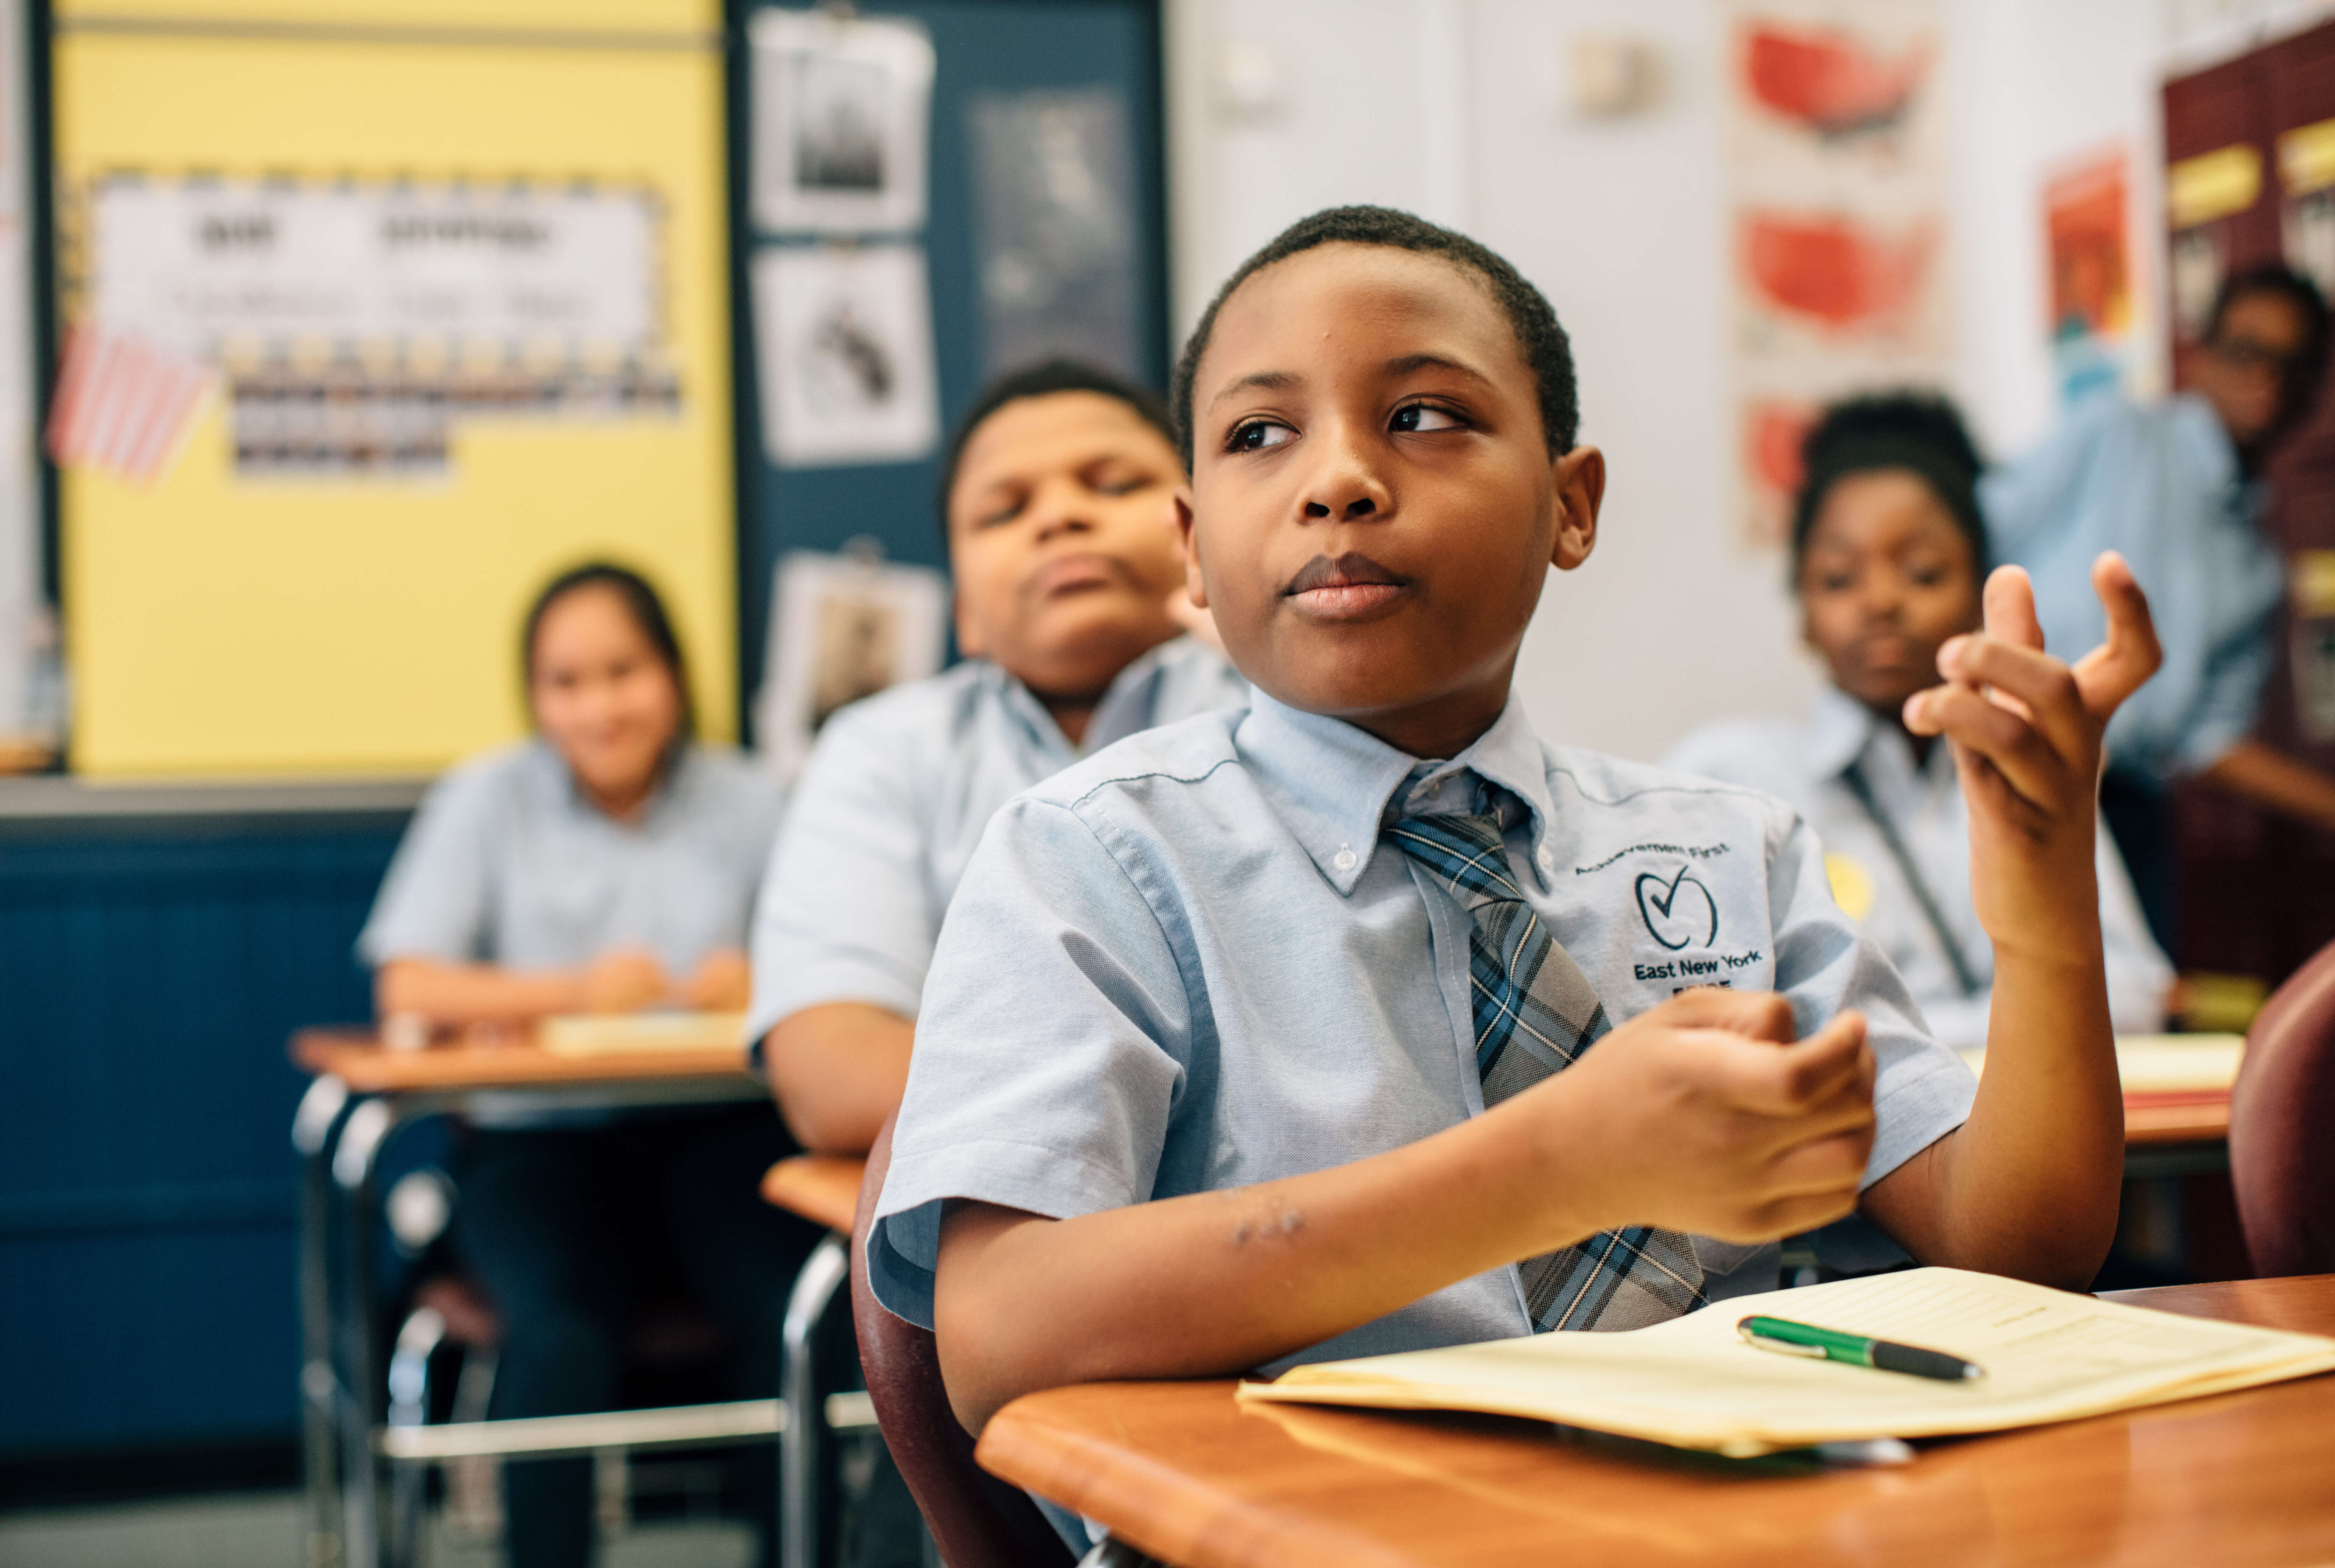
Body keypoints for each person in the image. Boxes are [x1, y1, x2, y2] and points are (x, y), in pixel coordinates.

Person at [865, 208, 2162, 1495]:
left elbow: (2016, 1247)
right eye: (1262, 435)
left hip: (1716, 1524)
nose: (1339, 480)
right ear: (1193, 552)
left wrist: (2043, 905)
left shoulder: (1730, 852)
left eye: (1425, 415)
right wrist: (1555, 1168)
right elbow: (999, 1335)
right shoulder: (1094, 858)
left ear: (1570, 505)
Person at [360, 562, 809, 1568]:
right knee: (558, 1333)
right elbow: (410, 989)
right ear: (536, 698)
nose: (600, 706)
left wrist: (767, 975)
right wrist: (569, 991)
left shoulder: (751, 798)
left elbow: (833, 966)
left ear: (675, 678)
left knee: (791, 1316)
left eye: (624, 672)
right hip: (538, 1147)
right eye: (567, 682)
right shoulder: (488, 797)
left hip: (717, 1138)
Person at [747, 359, 1247, 1156]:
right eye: (1005, 510)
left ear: (1198, 537)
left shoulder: (1286, 708)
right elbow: (830, 1069)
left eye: (1114, 484)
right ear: (965, 615)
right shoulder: (883, 751)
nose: (1061, 518)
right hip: (997, 1237)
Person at [1667, 393, 2174, 1050]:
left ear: (1980, 592)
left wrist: (1872, 1036)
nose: (1880, 601)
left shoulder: (2028, 765)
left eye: (1923, 572)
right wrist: (2013, 1027)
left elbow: (2135, 993)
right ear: (1802, 612)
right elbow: (1711, 1024)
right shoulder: (1726, 779)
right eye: (1839, 579)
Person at [1983, 262, 2335, 948]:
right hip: (2013, 767)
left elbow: (2204, 740)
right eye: (2247, 349)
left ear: (2317, 388)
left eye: (2294, 364)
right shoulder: (2115, 431)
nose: (2267, 377)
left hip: (2124, 806)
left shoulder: (2257, 567)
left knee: (2136, 1011)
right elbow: (1973, 532)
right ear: (2201, 353)